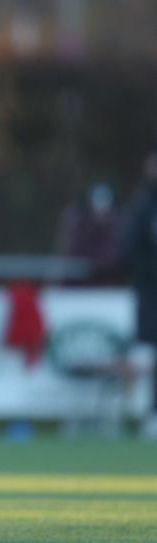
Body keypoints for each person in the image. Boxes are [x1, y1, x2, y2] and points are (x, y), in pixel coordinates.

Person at [121, 143, 157, 438]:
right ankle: (145, 412)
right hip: (149, 294)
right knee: (146, 354)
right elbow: (129, 250)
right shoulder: (142, 206)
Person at [56, 182, 121, 284]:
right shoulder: (80, 225)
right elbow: (73, 252)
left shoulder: (115, 225)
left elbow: (113, 254)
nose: (101, 209)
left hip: (104, 282)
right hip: (77, 282)